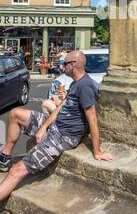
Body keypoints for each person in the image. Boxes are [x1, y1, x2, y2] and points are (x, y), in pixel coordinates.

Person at [0, 50, 113, 202]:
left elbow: (92, 119)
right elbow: (60, 108)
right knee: (15, 113)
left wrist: (97, 151)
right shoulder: (75, 82)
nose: (61, 67)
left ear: (73, 65)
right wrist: (42, 128)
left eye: (64, 63)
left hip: (63, 136)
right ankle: (5, 157)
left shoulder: (86, 86)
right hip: (55, 125)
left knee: (16, 171)